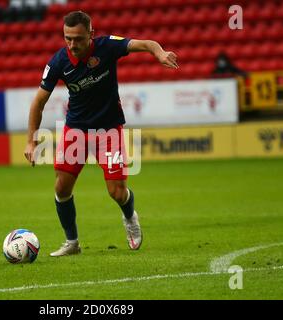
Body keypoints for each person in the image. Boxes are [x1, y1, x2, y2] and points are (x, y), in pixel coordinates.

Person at [24, 11, 178, 256]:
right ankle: (72, 243)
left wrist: (158, 53)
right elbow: (38, 103)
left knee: (116, 192)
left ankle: (130, 217)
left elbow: (146, 43)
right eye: (67, 38)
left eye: (78, 39)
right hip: (76, 130)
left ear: (91, 35)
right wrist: (31, 141)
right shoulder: (58, 62)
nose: (72, 45)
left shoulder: (107, 46)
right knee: (62, 188)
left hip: (109, 130)